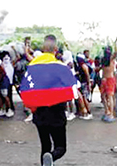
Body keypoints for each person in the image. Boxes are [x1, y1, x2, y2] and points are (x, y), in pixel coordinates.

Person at [31, 35, 71, 166]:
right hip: (56, 112)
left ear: (43, 48)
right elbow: (69, 91)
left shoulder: (33, 65)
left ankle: (46, 162)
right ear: (55, 49)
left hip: (39, 112)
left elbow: (26, 89)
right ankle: (52, 158)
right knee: (60, 147)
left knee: (45, 145)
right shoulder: (60, 67)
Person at [100, 39, 117, 122]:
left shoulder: (111, 59)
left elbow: (116, 53)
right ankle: (107, 111)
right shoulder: (103, 59)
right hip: (104, 79)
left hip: (110, 79)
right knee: (103, 96)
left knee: (110, 96)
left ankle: (111, 113)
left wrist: (115, 43)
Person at [0, 51, 15, 118]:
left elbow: (2, 73)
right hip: (8, 82)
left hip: (4, 81)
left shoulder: (2, 65)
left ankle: (8, 110)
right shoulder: (10, 64)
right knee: (4, 96)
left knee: (4, 96)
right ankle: (5, 109)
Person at [75, 55, 92, 120]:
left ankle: (88, 112)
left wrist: (89, 84)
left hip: (84, 83)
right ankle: (85, 112)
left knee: (84, 97)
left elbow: (87, 75)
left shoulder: (84, 66)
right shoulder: (81, 66)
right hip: (82, 83)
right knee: (82, 97)